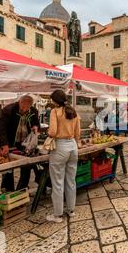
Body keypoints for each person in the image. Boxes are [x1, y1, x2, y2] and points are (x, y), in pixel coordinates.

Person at [46, 90, 81, 223]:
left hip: (60, 146)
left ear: (55, 100)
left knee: (57, 182)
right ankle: (71, 210)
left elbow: (53, 131)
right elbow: (77, 133)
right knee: (71, 180)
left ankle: (57, 215)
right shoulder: (73, 111)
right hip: (73, 146)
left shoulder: (55, 112)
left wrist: (49, 133)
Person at [0, 95, 40, 192]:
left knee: (26, 167)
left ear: (31, 106)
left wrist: (35, 127)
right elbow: (0, 128)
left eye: (27, 108)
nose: (24, 110)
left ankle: (21, 189)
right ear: (19, 103)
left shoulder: (33, 111)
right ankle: (7, 190)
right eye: (22, 107)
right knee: (8, 167)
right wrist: (4, 144)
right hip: (10, 143)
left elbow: (36, 123)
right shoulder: (8, 110)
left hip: (25, 145)